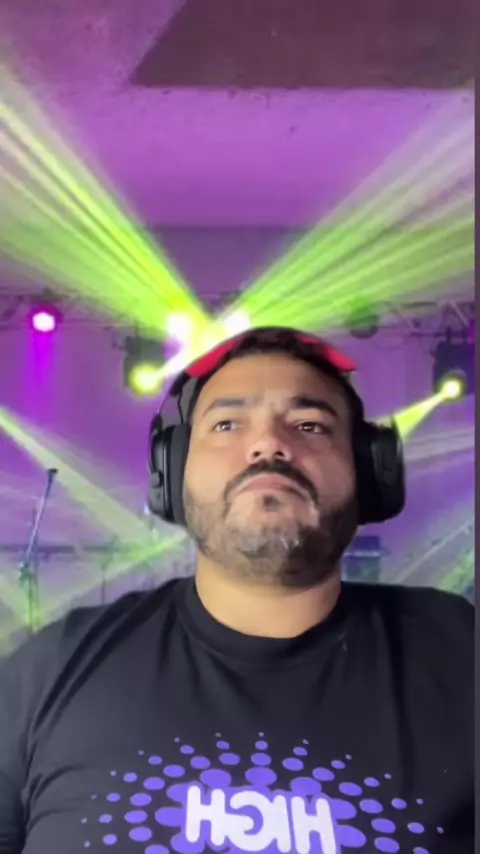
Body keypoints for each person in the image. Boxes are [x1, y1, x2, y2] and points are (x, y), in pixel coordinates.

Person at [0, 326, 473, 854]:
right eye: (227, 424)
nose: (269, 443)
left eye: (310, 425)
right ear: (173, 472)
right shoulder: (50, 669)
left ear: (370, 471)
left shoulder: (461, 652)